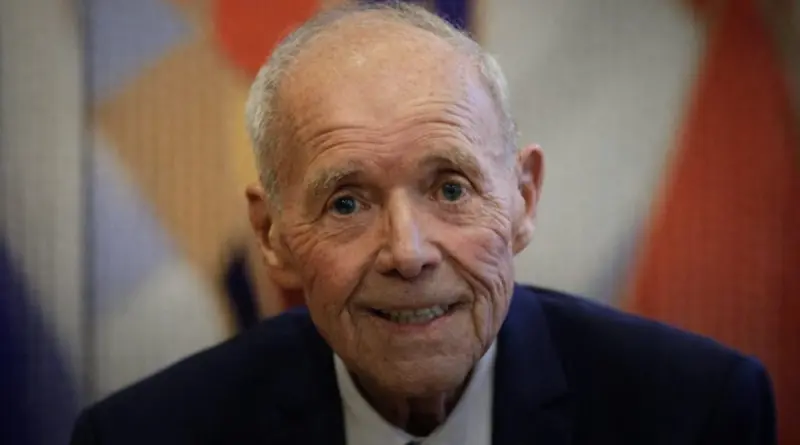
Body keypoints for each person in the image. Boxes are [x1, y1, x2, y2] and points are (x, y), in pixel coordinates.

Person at [69, 3, 776, 444]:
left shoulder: (697, 414)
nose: (407, 253)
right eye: (346, 201)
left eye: (450, 187)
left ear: (524, 197)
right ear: (273, 233)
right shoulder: (143, 433)